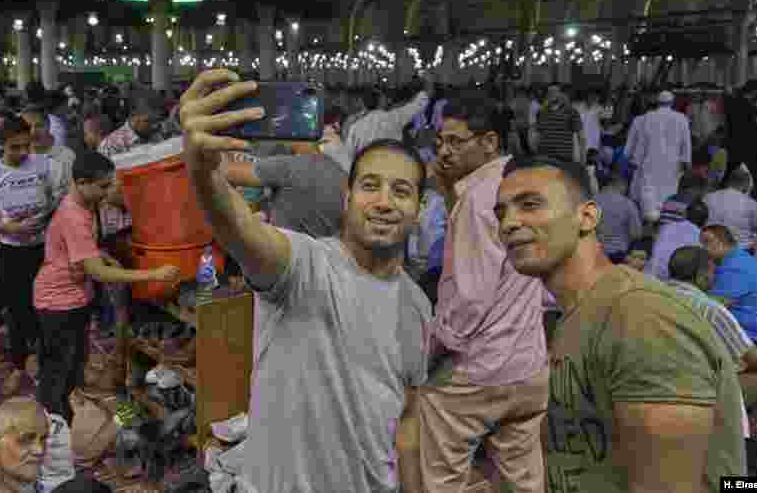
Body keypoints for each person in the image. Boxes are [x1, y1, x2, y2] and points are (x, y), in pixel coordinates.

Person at [180, 69, 432, 492]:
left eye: (401, 191)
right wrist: (203, 172)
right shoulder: (304, 266)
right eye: (371, 186)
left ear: (419, 209)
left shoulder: (418, 307)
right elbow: (240, 227)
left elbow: (407, 419)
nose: (385, 202)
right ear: (348, 197)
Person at [495, 155, 746, 490]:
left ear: (587, 216)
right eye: (501, 213)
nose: (509, 223)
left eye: (529, 204)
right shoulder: (579, 315)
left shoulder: (641, 316)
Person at [415, 94, 548, 493]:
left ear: (489, 142)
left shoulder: (476, 200)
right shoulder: (521, 185)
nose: (444, 151)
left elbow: (468, 298)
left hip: (482, 370)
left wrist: (433, 351)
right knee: (523, 478)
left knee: (442, 472)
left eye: (456, 142)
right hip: (528, 365)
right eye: (440, 141)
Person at [32, 150, 179, 425]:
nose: (108, 192)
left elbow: (85, 253)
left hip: (72, 297)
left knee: (72, 365)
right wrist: (152, 274)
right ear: (81, 182)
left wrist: (99, 252)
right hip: (58, 302)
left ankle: (70, 423)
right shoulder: (74, 217)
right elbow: (97, 272)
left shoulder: (84, 206)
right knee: (59, 374)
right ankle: (58, 433)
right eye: (103, 186)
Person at [0, 114, 67, 398]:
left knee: (48, 308)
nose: (21, 153)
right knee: (17, 311)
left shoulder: (46, 166)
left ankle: (46, 363)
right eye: (13, 147)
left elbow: (61, 202)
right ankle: (18, 365)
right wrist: (7, 227)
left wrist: (46, 222)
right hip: (12, 251)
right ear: (0, 145)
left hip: (44, 249)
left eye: (26, 146)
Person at [667, 246, 757, 410]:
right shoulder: (710, 309)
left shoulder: (650, 295)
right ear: (701, 276)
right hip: (690, 389)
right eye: (713, 273)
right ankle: (734, 428)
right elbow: (754, 358)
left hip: (651, 378)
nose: (715, 279)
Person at [222, 140, 347, 238]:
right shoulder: (339, 172)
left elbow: (227, 172)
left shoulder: (289, 166)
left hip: (282, 258)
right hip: (316, 260)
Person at [701, 224, 757, 350]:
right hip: (753, 334)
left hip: (752, 339)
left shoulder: (735, 267)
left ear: (719, 243)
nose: (702, 249)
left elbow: (712, 307)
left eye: (705, 243)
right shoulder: (738, 259)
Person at [628, 90, 693, 225]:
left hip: (650, 164)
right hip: (672, 166)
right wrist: (686, 162)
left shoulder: (648, 118)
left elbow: (642, 142)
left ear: (657, 102)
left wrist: (636, 161)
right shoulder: (682, 119)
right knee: (668, 196)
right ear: (672, 103)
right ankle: (665, 222)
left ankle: (649, 226)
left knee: (649, 200)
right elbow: (686, 144)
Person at [344, 78, 431, 157]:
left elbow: (348, 155)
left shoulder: (355, 127)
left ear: (364, 103)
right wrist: (426, 84)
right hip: (391, 165)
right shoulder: (394, 117)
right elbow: (418, 104)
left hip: (367, 168)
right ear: (381, 101)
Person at [704, 168, 757, 251]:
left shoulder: (708, 197)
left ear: (729, 181)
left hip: (711, 246)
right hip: (741, 248)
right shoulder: (752, 203)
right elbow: (756, 226)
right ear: (746, 184)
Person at [594, 173, 643, 263]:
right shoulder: (628, 204)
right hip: (618, 256)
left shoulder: (593, 200)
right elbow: (636, 234)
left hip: (594, 253)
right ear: (621, 185)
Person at [22, 106, 75, 184]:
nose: (33, 131)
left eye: (39, 126)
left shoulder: (67, 157)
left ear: (48, 126)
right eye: (28, 127)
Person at [533, 84, 585, 163]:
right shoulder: (541, 113)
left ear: (561, 94)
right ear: (547, 95)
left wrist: (583, 160)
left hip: (563, 159)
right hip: (544, 158)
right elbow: (538, 136)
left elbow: (581, 137)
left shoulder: (571, 112)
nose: (552, 94)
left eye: (555, 91)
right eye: (550, 92)